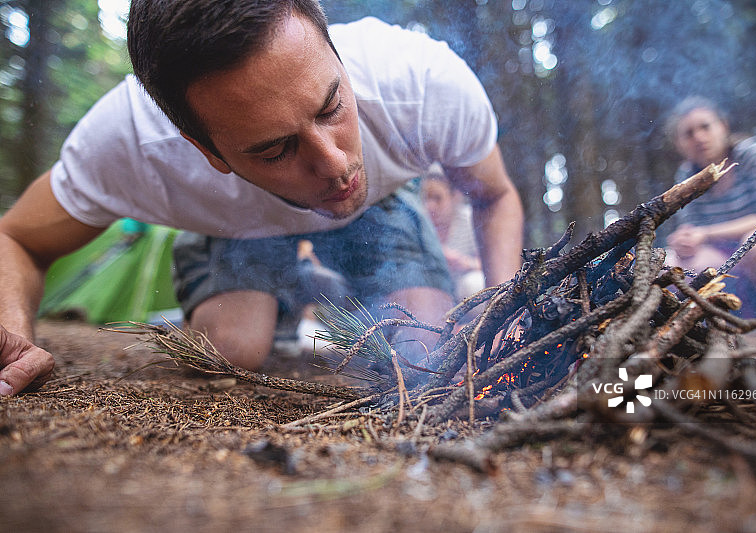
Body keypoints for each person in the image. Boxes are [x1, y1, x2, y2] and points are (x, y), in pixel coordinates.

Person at [0, 0, 524, 396]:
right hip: (237, 226)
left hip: (379, 207)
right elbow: (17, 237)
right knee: (231, 350)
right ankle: (258, 302)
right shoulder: (129, 144)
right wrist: (13, 339)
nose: (336, 164)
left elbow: (495, 195)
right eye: (275, 149)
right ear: (204, 149)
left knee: (424, 344)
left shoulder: (423, 82)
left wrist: (507, 312)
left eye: (331, 106)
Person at [665, 96, 756, 318]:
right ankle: (733, 322)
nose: (699, 137)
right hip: (731, 260)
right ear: (679, 144)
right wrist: (685, 241)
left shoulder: (752, 154)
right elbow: (693, 230)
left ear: (723, 126)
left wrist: (705, 233)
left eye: (705, 127)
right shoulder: (688, 175)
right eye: (688, 133)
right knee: (673, 267)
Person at [421, 166, 485, 301]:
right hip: (432, 289)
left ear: (455, 197)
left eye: (437, 198)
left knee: (474, 284)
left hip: (462, 287)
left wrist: (463, 263)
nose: (430, 206)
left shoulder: (470, 219)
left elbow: (489, 263)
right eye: (427, 198)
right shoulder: (421, 223)